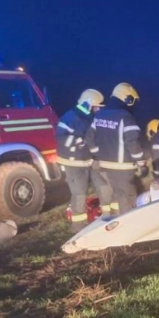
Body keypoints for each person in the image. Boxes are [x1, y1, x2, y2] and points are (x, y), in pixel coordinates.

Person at [85, 83, 147, 214]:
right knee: (128, 197)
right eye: (132, 101)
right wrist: (142, 163)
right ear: (127, 99)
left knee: (118, 195)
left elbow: (89, 138)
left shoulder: (100, 115)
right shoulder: (125, 116)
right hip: (123, 166)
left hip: (106, 165)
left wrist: (98, 155)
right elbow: (133, 143)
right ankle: (130, 222)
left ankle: (119, 219)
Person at [56, 89, 110, 231]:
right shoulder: (69, 117)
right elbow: (60, 137)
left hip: (91, 160)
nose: (98, 110)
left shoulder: (92, 118)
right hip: (74, 163)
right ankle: (79, 227)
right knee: (79, 194)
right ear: (87, 105)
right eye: (96, 107)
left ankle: (109, 218)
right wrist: (77, 140)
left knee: (104, 188)